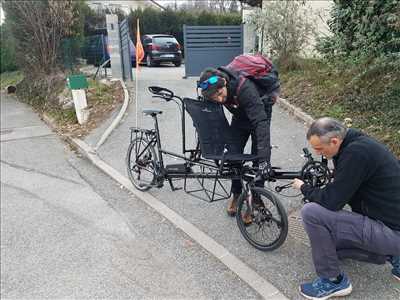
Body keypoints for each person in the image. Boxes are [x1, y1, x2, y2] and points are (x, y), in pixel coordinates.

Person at [292, 117, 400, 300]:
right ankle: (394, 257)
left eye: (319, 149)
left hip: (392, 232)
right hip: (392, 222)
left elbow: (333, 201)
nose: (319, 153)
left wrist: (304, 188)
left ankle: (333, 281)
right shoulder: (358, 143)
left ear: (334, 141)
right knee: (334, 248)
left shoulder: (355, 154)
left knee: (311, 213)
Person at [198, 66, 280, 218]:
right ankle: (236, 194)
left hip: (260, 112)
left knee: (258, 157)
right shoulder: (213, 92)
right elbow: (209, 114)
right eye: (213, 97)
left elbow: (261, 123)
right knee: (233, 155)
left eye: (220, 93)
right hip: (240, 115)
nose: (219, 99)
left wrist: (263, 159)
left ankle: (256, 198)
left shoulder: (244, 89)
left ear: (225, 83)